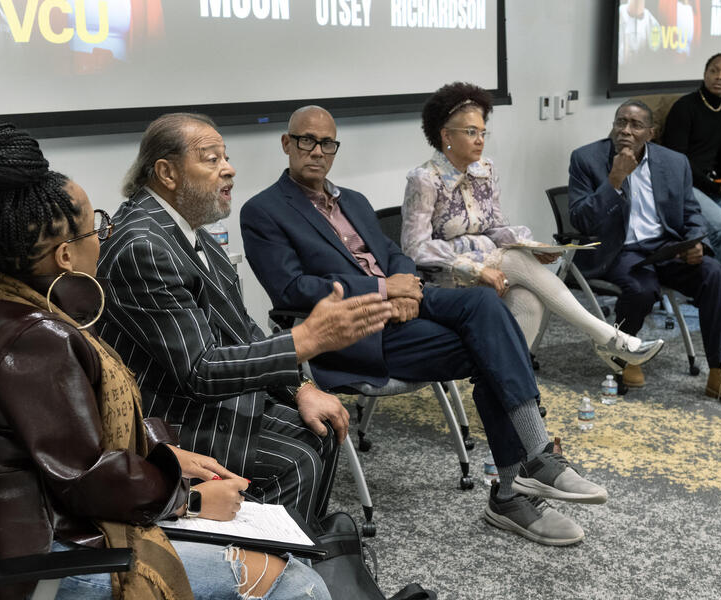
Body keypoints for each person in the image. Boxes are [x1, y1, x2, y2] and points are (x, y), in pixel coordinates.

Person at [0, 121, 331, 600]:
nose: (105, 237)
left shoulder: (16, 313)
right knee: (293, 580)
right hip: (56, 558)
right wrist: (188, 500)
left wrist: (166, 456)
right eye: (97, 226)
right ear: (66, 255)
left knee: (277, 555)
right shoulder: (35, 340)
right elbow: (85, 478)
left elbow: (82, 446)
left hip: (67, 528)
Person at [241, 105, 610, 547]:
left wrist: (407, 287)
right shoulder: (262, 210)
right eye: (306, 140)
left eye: (327, 143)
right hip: (350, 331)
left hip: (406, 304)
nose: (317, 151)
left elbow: (396, 254)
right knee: (492, 346)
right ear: (287, 144)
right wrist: (382, 291)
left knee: (482, 305)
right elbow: (291, 289)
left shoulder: (353, 201)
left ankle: (527, 471)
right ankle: (518, 483)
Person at [97, 113, 393, 526]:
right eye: (211, 158)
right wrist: (303, 341)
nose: (229, 168)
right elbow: (199, 370)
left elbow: (242, 329)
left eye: (226, 156)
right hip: (168, 420)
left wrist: (301, 387)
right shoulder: (144, 246)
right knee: (299, 459)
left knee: (321, 430)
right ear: (166, 172)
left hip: (204, 399)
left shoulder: (190, 231)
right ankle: (267, 575)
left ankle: (299, 566)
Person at [401, 81, 663, 372]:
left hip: (492, 268)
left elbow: (496, 228)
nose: (480, 140)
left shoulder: (485, 171)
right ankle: (607, 336)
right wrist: (475, 268)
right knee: (512, 258)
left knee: (529, 302)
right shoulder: (424, 179)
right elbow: (415, 249)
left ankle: (508, 392)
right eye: (471, 132)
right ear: (446, 135)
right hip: (443, 280)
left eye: (483, 132)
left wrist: (533, 246)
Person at [568, 100, 721, 397]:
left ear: (651, 133)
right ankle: (626, 352)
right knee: (642, 288)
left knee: (713, 273)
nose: (626, 131)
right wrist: (614, 180)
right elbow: (581, 219)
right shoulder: (586, 159)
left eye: (635, 125)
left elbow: (691, 212)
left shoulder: (674, 162)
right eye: (620, 122)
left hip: (665, 246)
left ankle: (719, 369)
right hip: (618, 250)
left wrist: (697, 244)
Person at [664, 53, 721, 266]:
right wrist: (715, 187)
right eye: (714, 71)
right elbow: (678, 161)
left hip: (711, 185)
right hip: (684, 185)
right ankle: (720, 289)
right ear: (704, 74)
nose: (719, 77)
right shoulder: (685, 107)